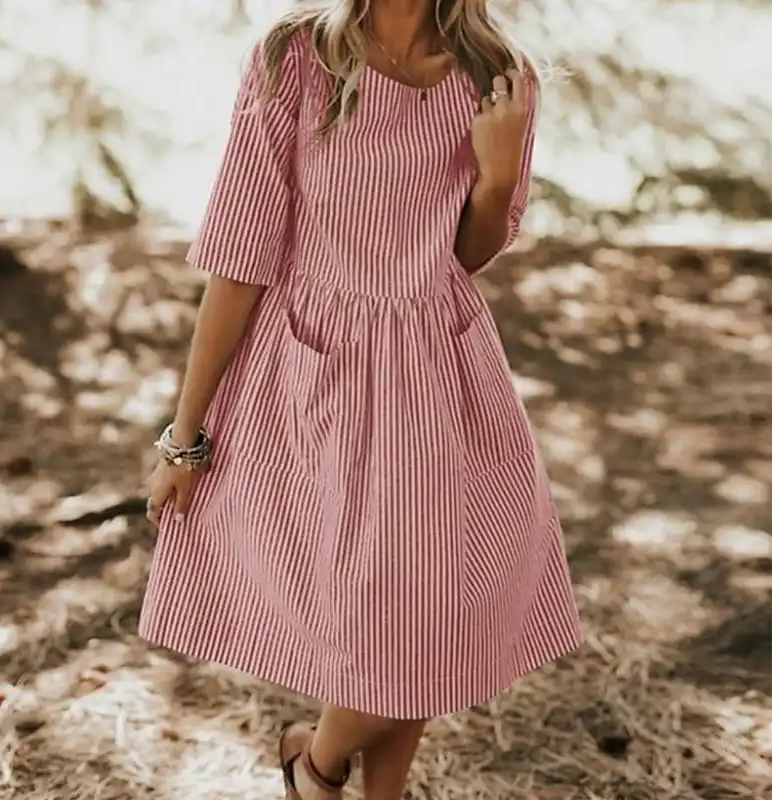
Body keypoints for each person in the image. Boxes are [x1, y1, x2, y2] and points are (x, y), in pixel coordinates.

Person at [139, 0, 584, 797]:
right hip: (319, 376)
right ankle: (317, 767)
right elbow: (240, 257)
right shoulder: (293, 59)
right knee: (389, 617)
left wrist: (498, 175)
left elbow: (468, 253)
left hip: (441, 374)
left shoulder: (498, 74)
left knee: (427, 605)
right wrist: (185, 437)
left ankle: (316, 765)